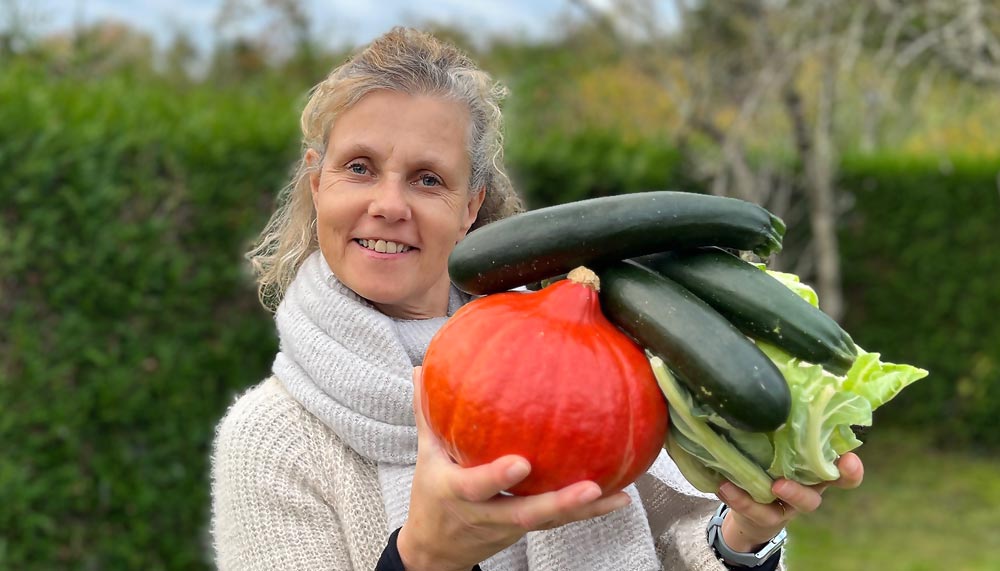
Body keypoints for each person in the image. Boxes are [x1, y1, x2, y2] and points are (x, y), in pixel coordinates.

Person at [210, 27, 864, 571]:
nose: (388, 204)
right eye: (359, 167)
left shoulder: (595, 351)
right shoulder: (272, 438)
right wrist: (422, 557)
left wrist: (744, 534)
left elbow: (682, 544)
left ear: (468, 210)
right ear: (316, 181)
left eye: (427, 178)